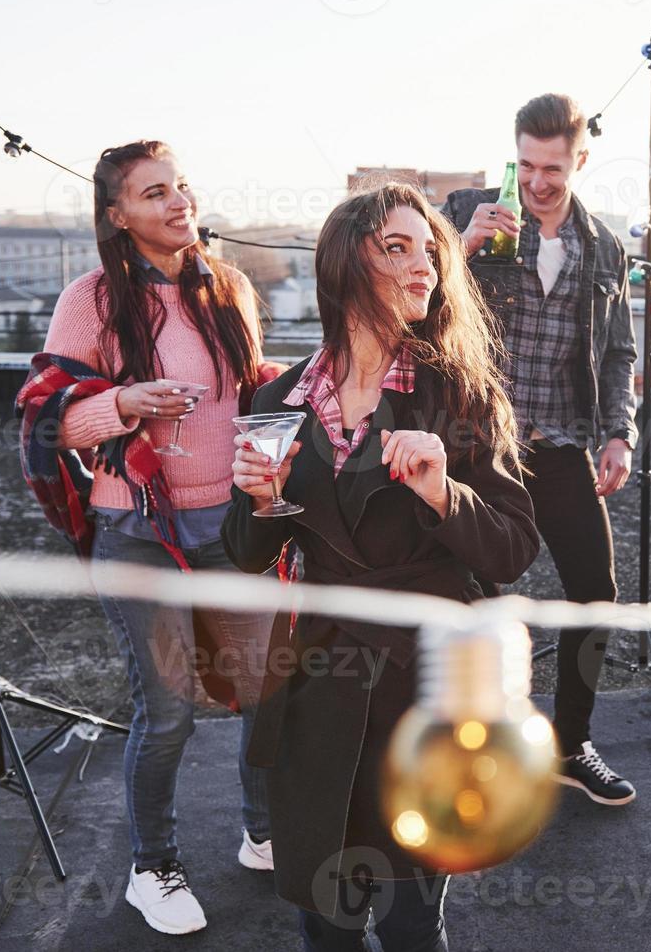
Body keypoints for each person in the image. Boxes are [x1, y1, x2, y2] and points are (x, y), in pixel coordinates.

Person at [223, 182, 538, 951]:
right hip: (318, 687)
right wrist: (259, 501)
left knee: (408, 921)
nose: (423, 265)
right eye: (395, 247)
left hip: (422, 690)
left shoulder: (461, 394)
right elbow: (243, 554)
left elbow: (512, 549)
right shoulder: (277, 394)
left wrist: (443, 493)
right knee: (324, 915)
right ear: (342, 264)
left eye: (429, 250)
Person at [20, 140, 273, 936]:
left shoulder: (229, 287)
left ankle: (264, 833)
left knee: (269, 688)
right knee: (167, 711)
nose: (178, 201)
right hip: (137, 529)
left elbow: (254, 385)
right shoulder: (90, 299)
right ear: (116, 214)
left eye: (183, 186)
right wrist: (126, 403)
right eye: (155, 192)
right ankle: (151, 867)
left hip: (231, 523)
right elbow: (45, 418)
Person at [440, 92, 639, 805]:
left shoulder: (604, 247)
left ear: (579, 160)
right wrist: (456, 251)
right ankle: (478, 743)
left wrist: (619, 432)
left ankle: (570, 742)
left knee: (594, 591)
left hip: (559, 441)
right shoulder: (464, 213)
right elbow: (401, 298)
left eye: (553, 168)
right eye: (525, 164)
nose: (536, 182)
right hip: (472, 442)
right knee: (477, 596)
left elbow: (617, 353)